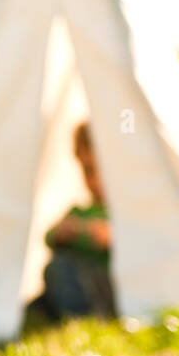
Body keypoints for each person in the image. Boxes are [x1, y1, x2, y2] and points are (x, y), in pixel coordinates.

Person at [26, 122, 116, 323]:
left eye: (96, 170)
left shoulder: (121, 213)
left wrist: (109, 237)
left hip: (103, 286)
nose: (92, 180)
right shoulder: (80, 211)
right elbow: (48, 236)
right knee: (55, 270)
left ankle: (84, 316)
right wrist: (62, 233)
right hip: (73, 282)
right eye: (86, 171)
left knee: (62, 269)